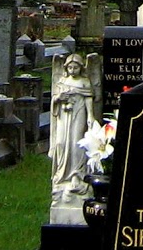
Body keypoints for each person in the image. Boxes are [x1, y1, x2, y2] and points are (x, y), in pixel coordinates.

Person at [49, 52, 95, 207]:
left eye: (75, 67)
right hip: (63, 116)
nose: (73, 70)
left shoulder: (84, 81)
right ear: (66, 68)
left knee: (76, 144)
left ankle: (76, 175)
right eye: (70, 67)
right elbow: (54, 100)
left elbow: (89, 98)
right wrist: (59, 98)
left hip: (79, 113)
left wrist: (91, 116)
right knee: (61, 143)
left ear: (81, 68)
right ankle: (61, 176)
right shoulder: (62, 81)